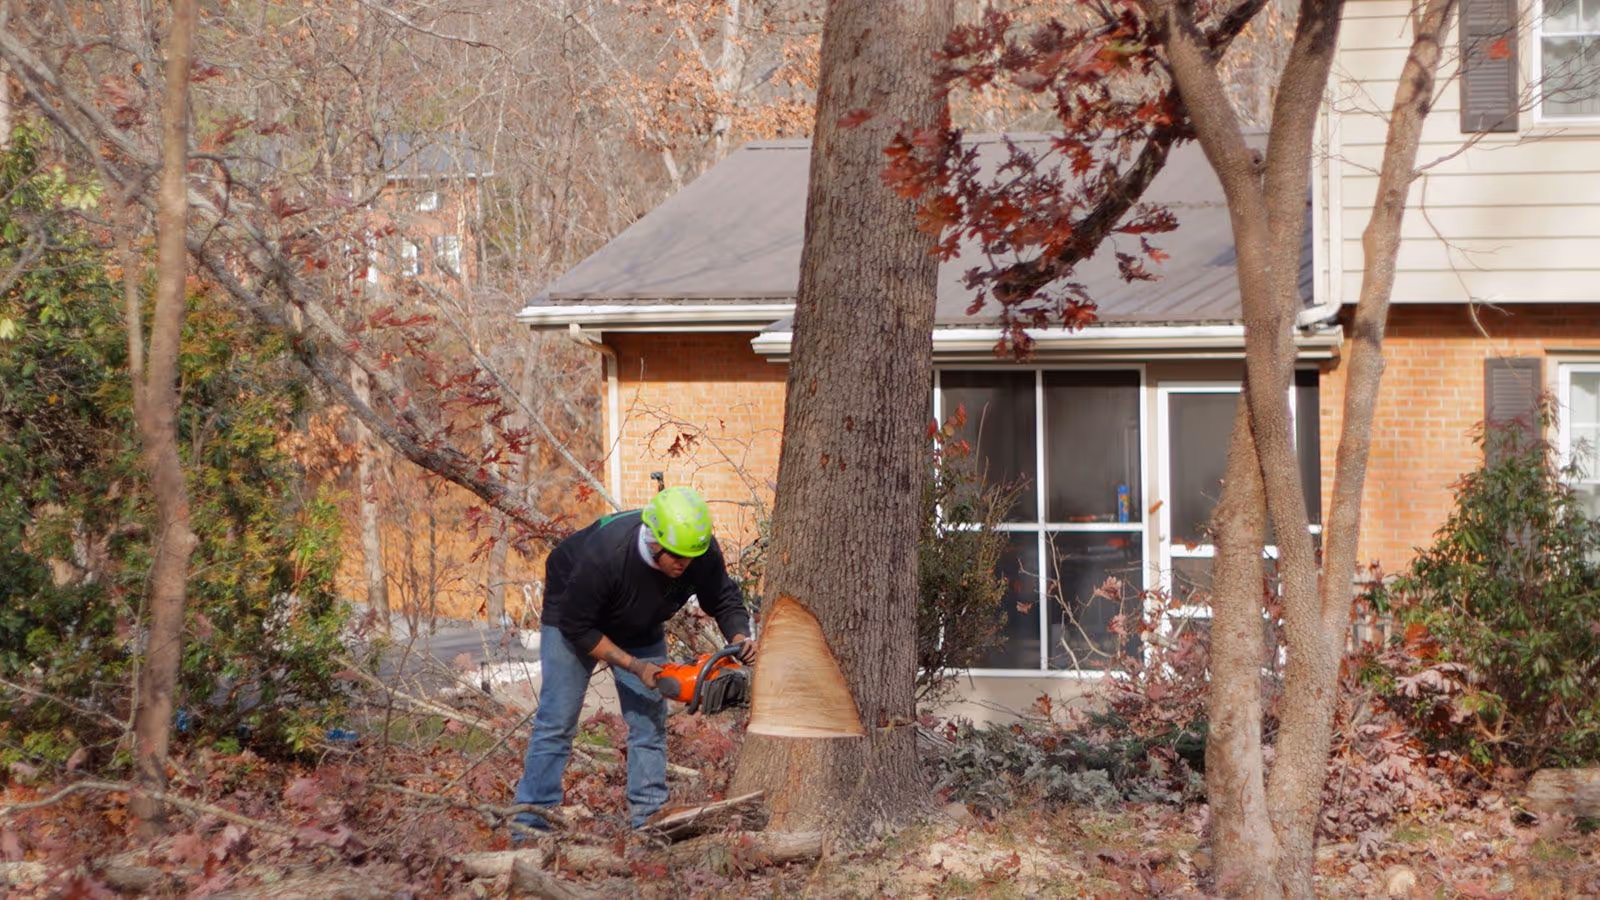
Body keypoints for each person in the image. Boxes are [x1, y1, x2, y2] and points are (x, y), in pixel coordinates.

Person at [512, 486, 756, 833]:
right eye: (675, 556)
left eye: (690, 556)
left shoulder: (698, 551)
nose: (683, 565)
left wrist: (739, 638)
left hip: (640, 619)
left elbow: (724, 597)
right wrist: (634, 666)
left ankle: (649, 821)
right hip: (576, 615)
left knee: (648, 723)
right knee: (557, 722)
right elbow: (577, 627)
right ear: (654, 539)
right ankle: (530, 826)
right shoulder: (604, 556)